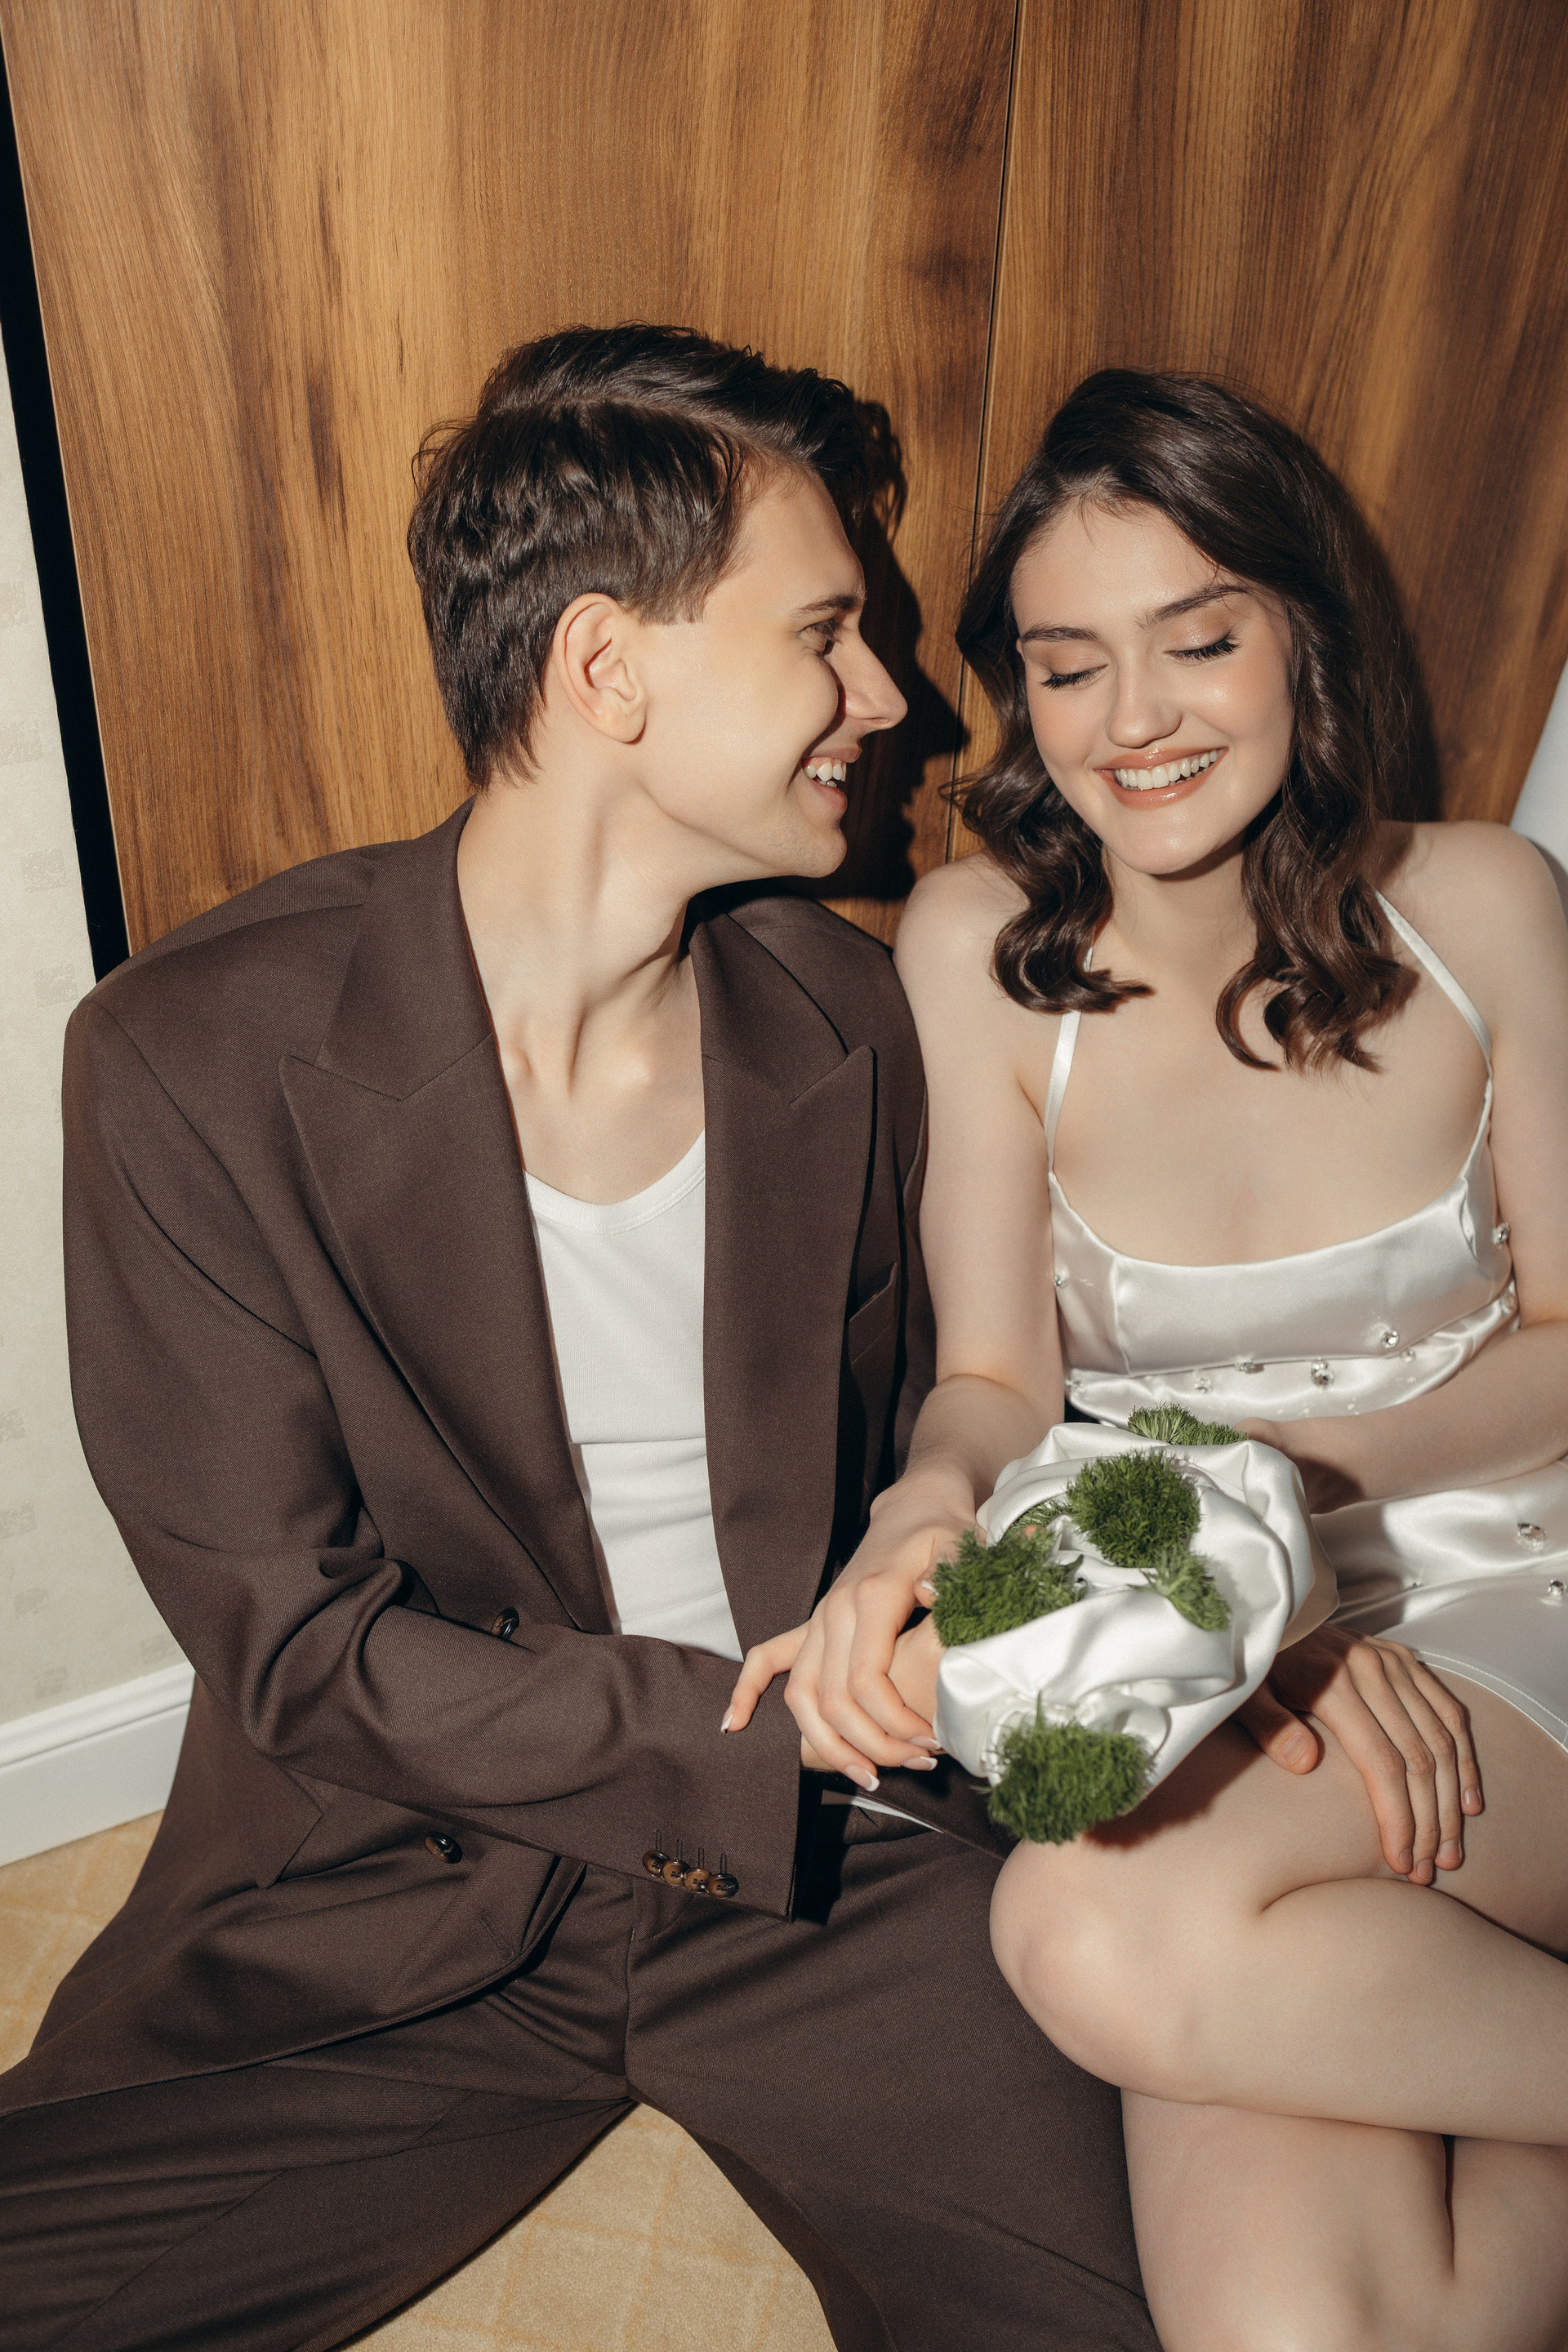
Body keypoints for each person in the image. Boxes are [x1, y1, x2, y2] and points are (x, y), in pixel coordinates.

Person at [0, 326, 1174, 2352]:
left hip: (846, 1856)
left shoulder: (850, 1018)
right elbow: (298, 1647)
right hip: (396, 1876)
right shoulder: (186, 1062)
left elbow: (980, 1402)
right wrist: (746, 1740)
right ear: (606, 668)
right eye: (825, 635)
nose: (890, 700)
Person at [727, 372, 1568, 2350]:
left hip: (1519, 1588)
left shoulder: (1480, 903)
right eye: (1069, 666)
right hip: (1214, 1627)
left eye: (1199, 638)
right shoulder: (978, 946)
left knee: (1088, 1921)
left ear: (1301, 635)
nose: (1137, 720)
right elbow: (997, 1383)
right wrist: (921, 1517)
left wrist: (1276, 1518)